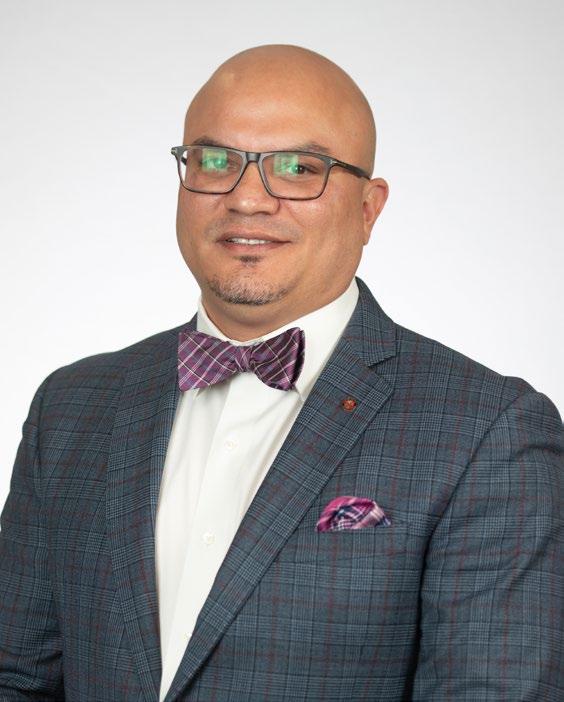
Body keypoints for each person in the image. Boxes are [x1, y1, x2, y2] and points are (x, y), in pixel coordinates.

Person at [0, 44, 562, 702]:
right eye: (215, 161)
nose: (246, 199)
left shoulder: (488, 432)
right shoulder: (72, 407)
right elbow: (16, 677)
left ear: (368, 208)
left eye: (298, 169)